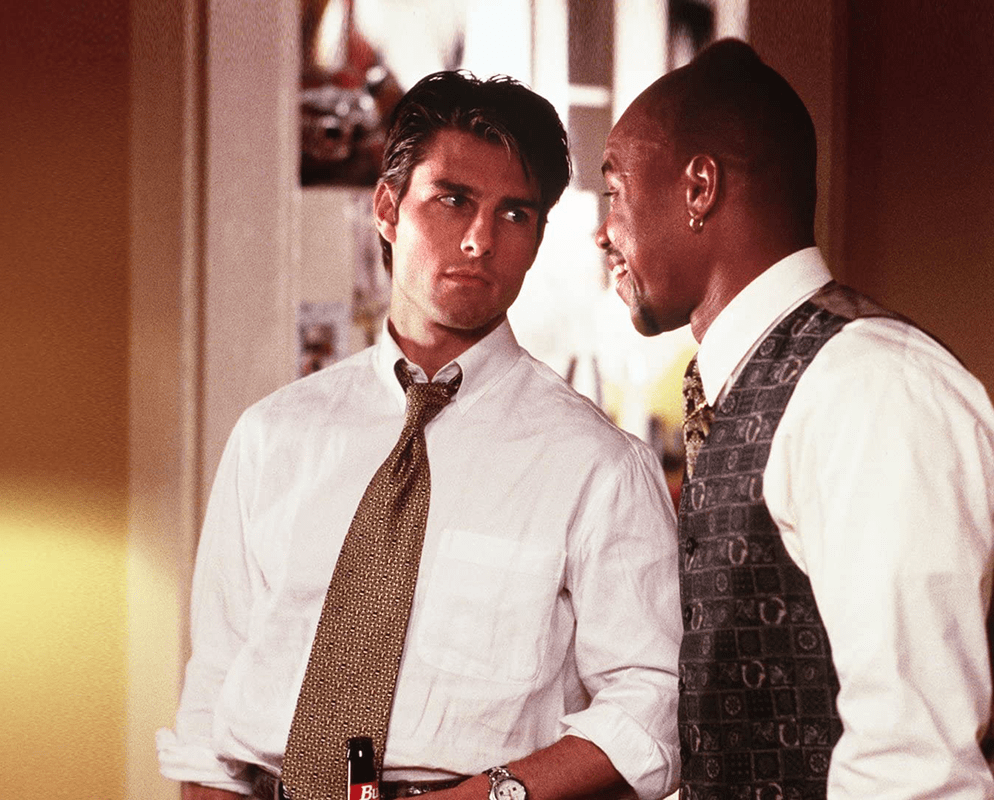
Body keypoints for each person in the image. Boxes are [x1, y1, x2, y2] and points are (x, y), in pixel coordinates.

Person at [158, 71, 682, 800]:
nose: (479, 240)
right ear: (386, 208)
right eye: (452, 200)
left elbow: (649, 706)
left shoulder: (600, 467)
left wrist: (489, 797)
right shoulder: (271, 439)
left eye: (515, 214)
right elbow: (213, 701)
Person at [596, 38, 994, 800]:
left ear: (699, 187)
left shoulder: (870, 389)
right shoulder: (740, 384)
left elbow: (913, 767)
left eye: (613, 191)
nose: (602, 229)